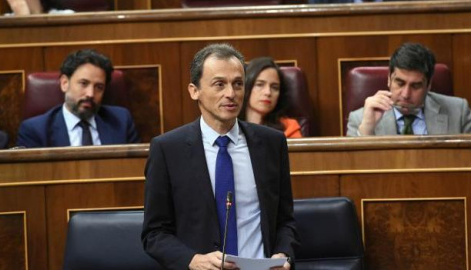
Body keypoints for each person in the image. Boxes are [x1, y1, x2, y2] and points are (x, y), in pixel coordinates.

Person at [142, 43, 298, 270]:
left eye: (237, 84)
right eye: (219, 84)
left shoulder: (271, 143)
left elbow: (285, 220)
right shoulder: (168, 149)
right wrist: (193, 260)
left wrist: (282, 254)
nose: (231, 94)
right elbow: (154, 234)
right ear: (194, 91)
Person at [16, 49, 140, 147]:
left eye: (99, 87)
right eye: (83, 84)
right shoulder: (35, 130)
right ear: (64, 83)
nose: (90, 94)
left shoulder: (121, 121)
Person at [347, 42, 471, 136]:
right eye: (400, 83)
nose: (406, 94)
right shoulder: (360, 119)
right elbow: (352, 169)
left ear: (428, 85)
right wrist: (367, 129)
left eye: (416, 86)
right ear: (389, 80)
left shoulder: (459, 113)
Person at [239, 57, 303, 138]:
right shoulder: (228, 125)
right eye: (260, 84)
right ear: (246, 86)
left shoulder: (288, 127)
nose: (268, 92)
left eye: (274, 87)